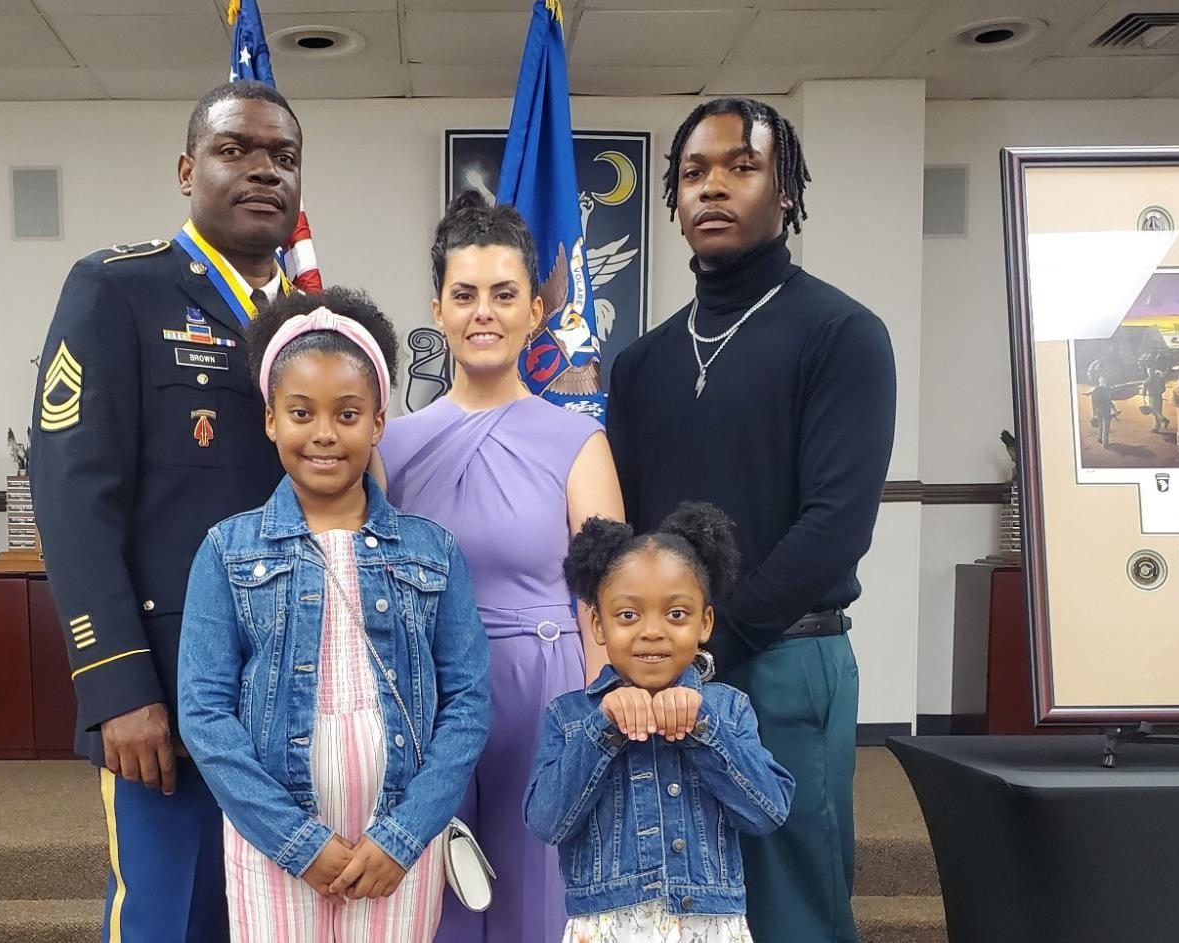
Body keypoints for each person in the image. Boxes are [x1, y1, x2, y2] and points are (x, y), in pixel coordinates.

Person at [606, 97, 896, 943]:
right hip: (667, 670)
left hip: (784, 660)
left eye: (741, 166)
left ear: (787, 190)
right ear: (672, 197)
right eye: (694, 173)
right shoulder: (641, 363)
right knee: (672, 898)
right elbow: (628, 530)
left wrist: (711, 642)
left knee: (792, 905)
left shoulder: (842, 334)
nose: (714, 188)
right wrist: (652, 652)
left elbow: (836, 526)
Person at [30, 79, 303, 942]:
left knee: (280, 918)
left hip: (297, 694)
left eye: (283, 157)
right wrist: (117, 686)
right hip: (170, 700)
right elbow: (72, 496)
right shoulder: (119, 291)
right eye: (236, 150)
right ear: (189, 169)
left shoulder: (309, 322)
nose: (263, 169)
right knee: (171, 918)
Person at [178, 288, 491, 942]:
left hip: (398, 846)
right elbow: (204, 714)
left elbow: (467, 702)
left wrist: (405, 835)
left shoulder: (433, 551)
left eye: (348, 413)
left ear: (378, 422)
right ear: (270, 419)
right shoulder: (225, 551)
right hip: (277, 844)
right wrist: (295, 842)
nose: (324, 432)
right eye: (302, 412)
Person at [377, 191, 625, 942]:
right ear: (438, 309)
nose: (483, 311)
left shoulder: (578, 443)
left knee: (537, 902)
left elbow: (606, 597)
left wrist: (601, 718)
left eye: (504, 294)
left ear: (535, 312)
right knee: (431, 902)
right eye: (465, 294)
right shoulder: (389, 446)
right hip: (426, 700)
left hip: (542, 692)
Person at [525, 503, 794, 943]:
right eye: (628, 615)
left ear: (705, 622)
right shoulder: (570, 716)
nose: (653, 631)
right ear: (597, 623)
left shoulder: (728, 710)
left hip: (709, 925)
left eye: (676, 614)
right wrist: (602, 730)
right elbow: (546, 822)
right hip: (606, 927)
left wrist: (704, 729)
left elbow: (768, 812)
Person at [1090, 382, 1118, 449]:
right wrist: (1114, 409)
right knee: (1106, 426)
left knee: (1100, 424)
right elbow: (1108, 401)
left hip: (1098, 410)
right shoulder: (1105, 390)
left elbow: (1093, 403)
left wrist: (1094, 413)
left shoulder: (1095, 391)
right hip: (1105, 410)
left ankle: (1099, 437)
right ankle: (1105, 443)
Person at [1142, 368, 1169, 433]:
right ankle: (1157, 427)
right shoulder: (1159, 379)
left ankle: (1164, 420)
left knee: (1155, 411)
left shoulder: (1147, 381)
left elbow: (1144, 392)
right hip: (1159, 397)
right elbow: (1164, 389)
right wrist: (1159, 392)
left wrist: (1144, 398)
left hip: (1152, 397)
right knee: (1158, 411)